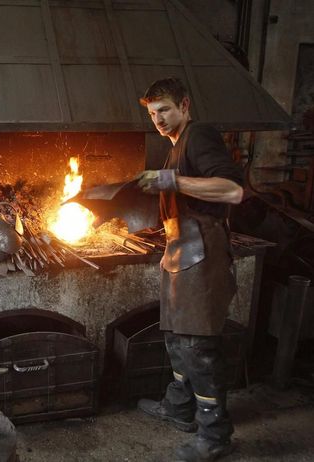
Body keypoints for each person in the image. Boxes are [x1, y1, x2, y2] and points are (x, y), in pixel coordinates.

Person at [134, 78, 244, 462]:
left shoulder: (198, 135)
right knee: (176, 338)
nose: (158, 119)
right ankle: (180, 408)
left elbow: (232, 190)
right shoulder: (174, 146)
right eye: (152, 113)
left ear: (184, 104)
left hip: (204, 253)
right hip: (180, 250)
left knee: (198, 346)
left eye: (164, 109)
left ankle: (215, 435)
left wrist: (171, 180)